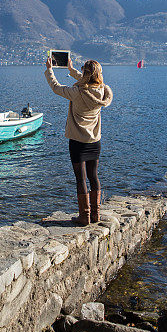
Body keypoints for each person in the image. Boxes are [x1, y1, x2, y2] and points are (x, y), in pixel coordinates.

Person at [44, 55, 113, 225]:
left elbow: (56, 87)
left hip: (77, 142)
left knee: (81, 179)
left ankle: (84, 216)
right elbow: (87, 81)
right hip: (95, 142)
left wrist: (49, 70)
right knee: (93, 177)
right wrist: (71, 70)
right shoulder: (103, 91)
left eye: (82, 69)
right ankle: (95, 214)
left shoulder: (77, 93)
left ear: (86, 73)